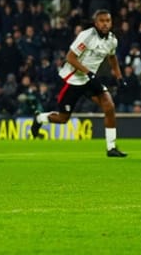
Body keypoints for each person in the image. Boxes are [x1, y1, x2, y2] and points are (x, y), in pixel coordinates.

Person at [30, 9, 128, 157]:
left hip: (90, 79)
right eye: (102, 21)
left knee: (109, 106)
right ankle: (39, 118)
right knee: (63, 119)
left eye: (108, 21)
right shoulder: (87, 36)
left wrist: (119, 77)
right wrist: (88, 72)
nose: (105, 24)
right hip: (73, 80)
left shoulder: (112, 40)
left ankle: (111, 148)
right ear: (96, 23)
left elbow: (112, 58)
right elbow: (70, 57)